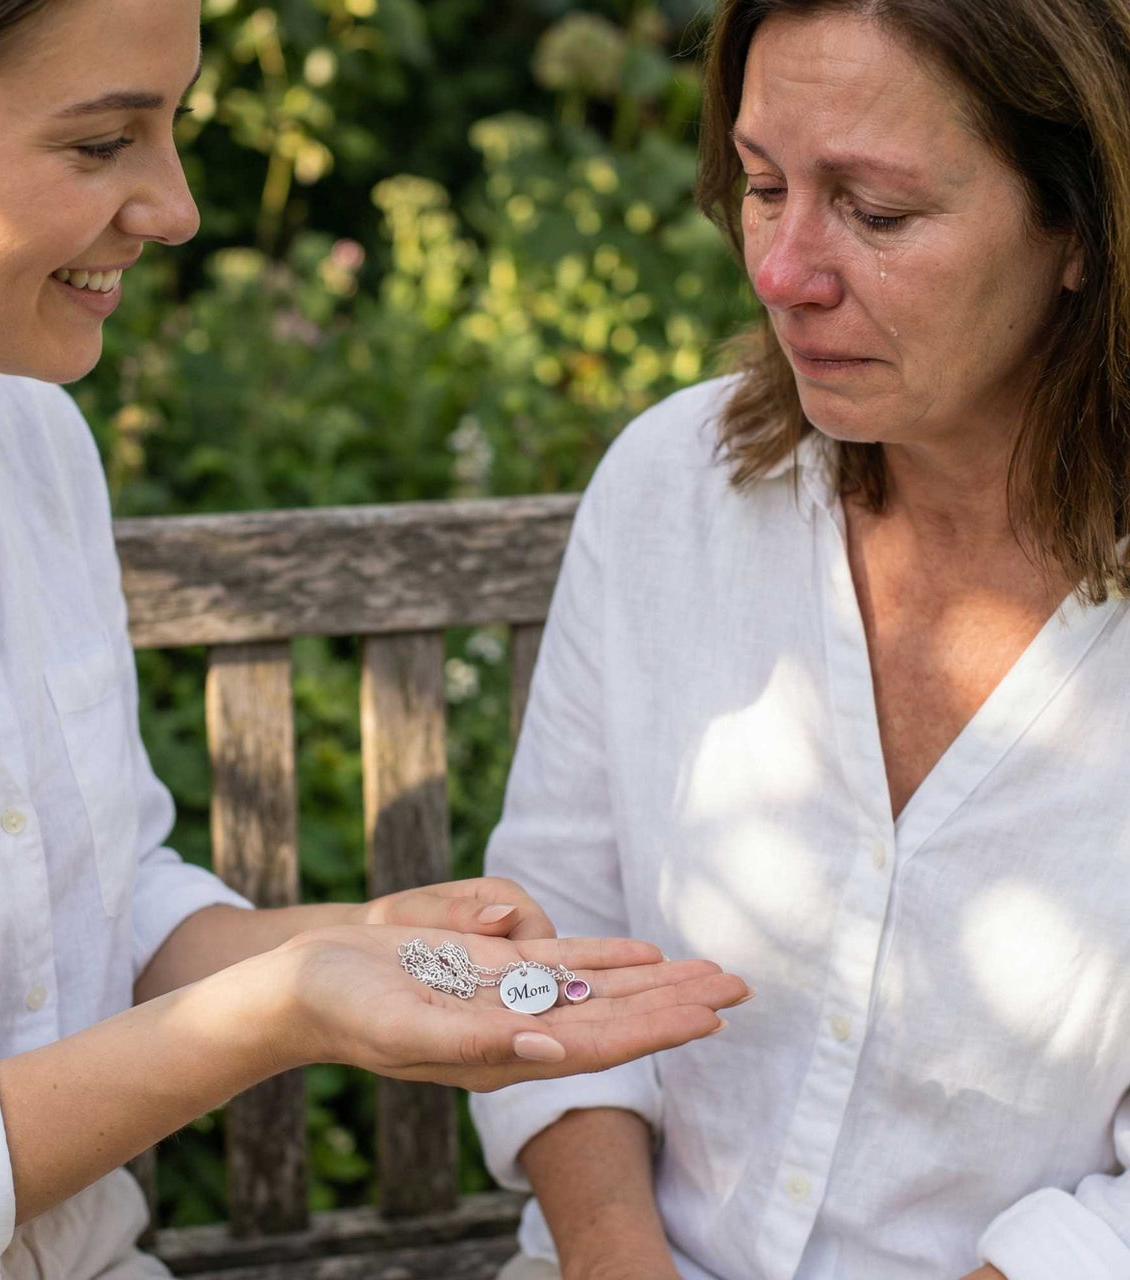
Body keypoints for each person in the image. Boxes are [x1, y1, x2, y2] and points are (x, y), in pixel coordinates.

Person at [0, 2, 754, 1278]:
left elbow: (99, 896)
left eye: (174, 127)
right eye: (100, 142)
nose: (176, 206)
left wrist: (335, 943)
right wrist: (270, 1014)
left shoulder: (28, 446)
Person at [470, 1, 1130, 1278]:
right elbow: (551, 932)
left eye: (875, 214)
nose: (781, 270)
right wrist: (617, 1258)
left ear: (1079, 227)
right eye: (763, 186)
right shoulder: (675, 481)